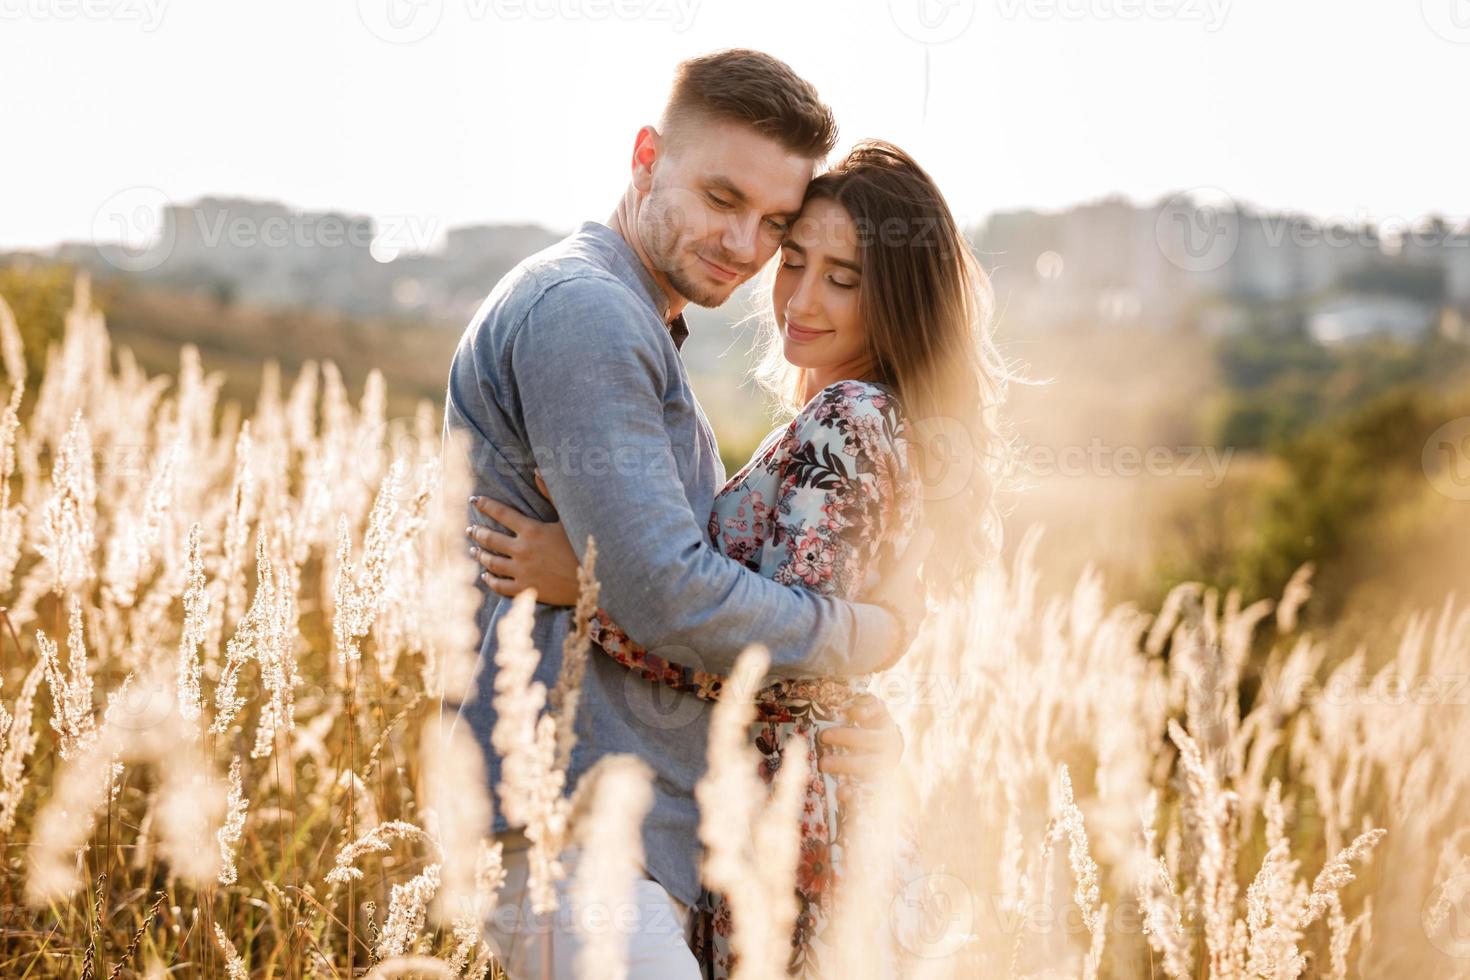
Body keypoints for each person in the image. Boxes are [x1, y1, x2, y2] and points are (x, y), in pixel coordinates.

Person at [442, 50, 936, 979]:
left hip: (647, 838)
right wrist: (863, 639)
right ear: (645, 158)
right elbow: (670, 592)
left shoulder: (644, 329)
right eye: (721, 199)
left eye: (773, 224)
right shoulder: (585, 310)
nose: (746, 247)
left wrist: (839, 719)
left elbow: (697, 592)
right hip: (580, 833)